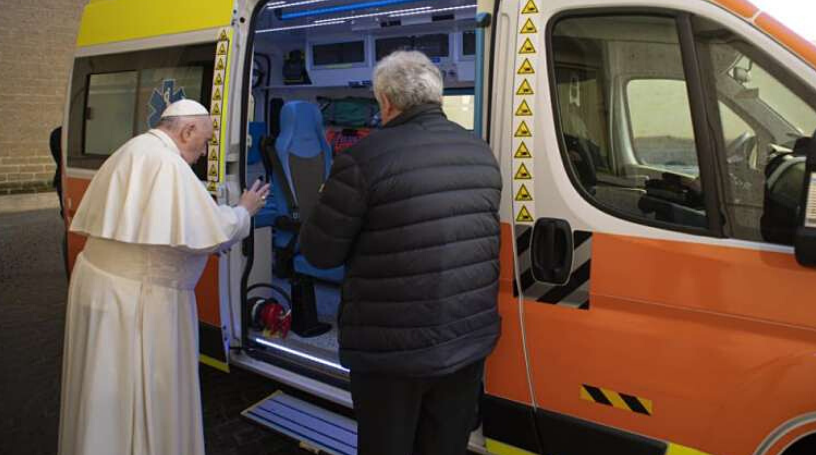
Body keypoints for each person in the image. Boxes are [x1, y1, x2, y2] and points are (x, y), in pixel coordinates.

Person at [299, 50, 502, 455]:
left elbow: (320, 253)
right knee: (445, 445)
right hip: (464, 341)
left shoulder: (361, 160)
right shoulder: (480, 151)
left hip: (391, 353)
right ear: (437, 98)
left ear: (386, 102)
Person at [58, 99, 270, 455]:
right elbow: (213, 230)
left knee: (102, 391)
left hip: (107, 288)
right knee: (136, 393)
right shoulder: (167, 163)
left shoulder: (136, 148)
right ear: (186, 130)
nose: (203, 153)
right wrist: (244, 210)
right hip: (138, 301)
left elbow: (176, 226)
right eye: (203, 142)